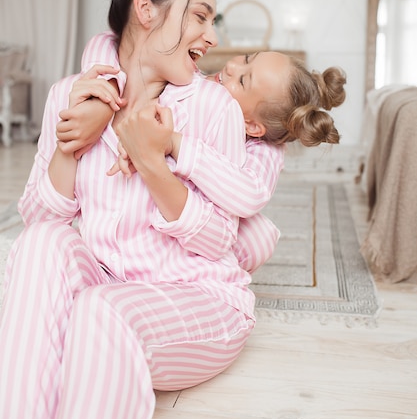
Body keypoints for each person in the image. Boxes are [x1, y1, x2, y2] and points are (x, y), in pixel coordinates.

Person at [0, 0, 257, 419]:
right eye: (200, 16)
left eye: (212, 21)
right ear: (146, 10)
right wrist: (75, 139)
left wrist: (151, 157)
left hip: (199, 300)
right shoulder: (69, 94)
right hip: (110, 281)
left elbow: (219, 240)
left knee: (100, 312)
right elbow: (40, 219)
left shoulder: (213, 109)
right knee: (41, 244)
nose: (211, 36)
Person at [59, 33, 346, 273]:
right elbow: (104, 41)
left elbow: (251, 195)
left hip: (198, 223)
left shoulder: (265, 148)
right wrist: (105, 95)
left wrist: (175, 143)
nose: (233, 67)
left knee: (259, 235)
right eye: (247, 59)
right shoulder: (187, 79)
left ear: (252, 126)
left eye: (244, 81)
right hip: (142, 211)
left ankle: (202, 277)